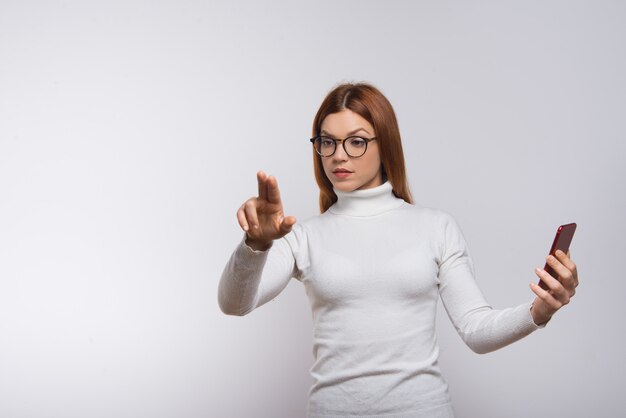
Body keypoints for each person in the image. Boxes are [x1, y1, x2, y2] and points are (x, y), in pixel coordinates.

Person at [218, 83, 578, 417]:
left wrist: (539, 310)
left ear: (385, 144)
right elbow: (234, 304)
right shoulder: (303, 236)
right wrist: (257, 244)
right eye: (327, 142)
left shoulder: (436, 227)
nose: (338, 156)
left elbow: (476, 330)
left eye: (356, 141)